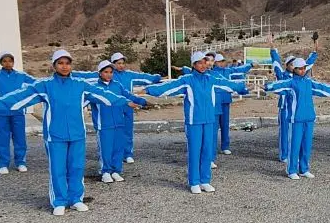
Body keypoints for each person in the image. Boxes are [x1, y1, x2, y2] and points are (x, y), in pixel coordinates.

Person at [0, 50, 126, 216]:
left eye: (67, 63)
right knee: (58, 169)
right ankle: (59, 201)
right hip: (55, 135)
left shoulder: (80, 85)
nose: (64, 66)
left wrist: (128, 101)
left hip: (77, 134)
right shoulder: (46, 85)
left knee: (76, 167)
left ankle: (76, 199)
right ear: (54, 65)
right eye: (60, 63)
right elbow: (22, 96)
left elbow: (104, 94)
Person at [145, 51, 248, 194]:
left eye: (205, 62)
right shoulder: (187, 80)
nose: (203, 65)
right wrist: (148, 90)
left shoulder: (211, 79)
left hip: (209, 120)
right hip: (194, 121)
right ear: (193, 65)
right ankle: (194, 182)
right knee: (195, 151)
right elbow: (168, 88)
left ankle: (205, 181)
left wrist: (243, 88)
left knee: (207, 150)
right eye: (199, 63)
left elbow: (228, 85)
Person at [265, 57, 330, 179]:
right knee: (294, 145)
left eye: (304, 68)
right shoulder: (291, 83)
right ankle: (291, 170)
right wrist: (267, 86)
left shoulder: (309, 82)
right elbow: (279, 85)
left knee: (306, 145)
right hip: (295, 119)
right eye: (300, 68)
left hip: (309, 118)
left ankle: (304, 169)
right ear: (294, 69)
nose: (303, 70)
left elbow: (322, 88)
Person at [89, 60, 148, 182]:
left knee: (118, 148)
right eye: (106, 72)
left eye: (111, 72)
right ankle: (105, 172)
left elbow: (128, 95)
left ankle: (116, 171)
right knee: (106, 149)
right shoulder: (94, 88)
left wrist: (140, 101)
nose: (109, 74)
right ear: (100, 73)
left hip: (119, 122)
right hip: (104, 124)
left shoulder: (117, 85)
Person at [270, 46, 317, 162]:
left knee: (296, 134)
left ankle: (296, 156)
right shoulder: (282, 75)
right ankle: (284, 155)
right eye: (291, 64)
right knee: (285, 132)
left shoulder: (301, 77)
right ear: (287, 66)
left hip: (296, 110)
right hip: (285, 108)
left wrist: (314, 53)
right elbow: (276, 63)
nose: (293, 66)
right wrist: (273, 50)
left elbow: (308, 64)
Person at [212, 53, 252, 156]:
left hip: (225, 101)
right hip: (215, 103)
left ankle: (225, 146)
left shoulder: (228, 71)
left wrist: (250, 65)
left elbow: (239, 70)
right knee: (214, 127)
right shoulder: (211, 73)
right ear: (215, 62)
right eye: (220, 61)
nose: (222, 63)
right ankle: (211, 149)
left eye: (223, 61)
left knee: (225, 125)